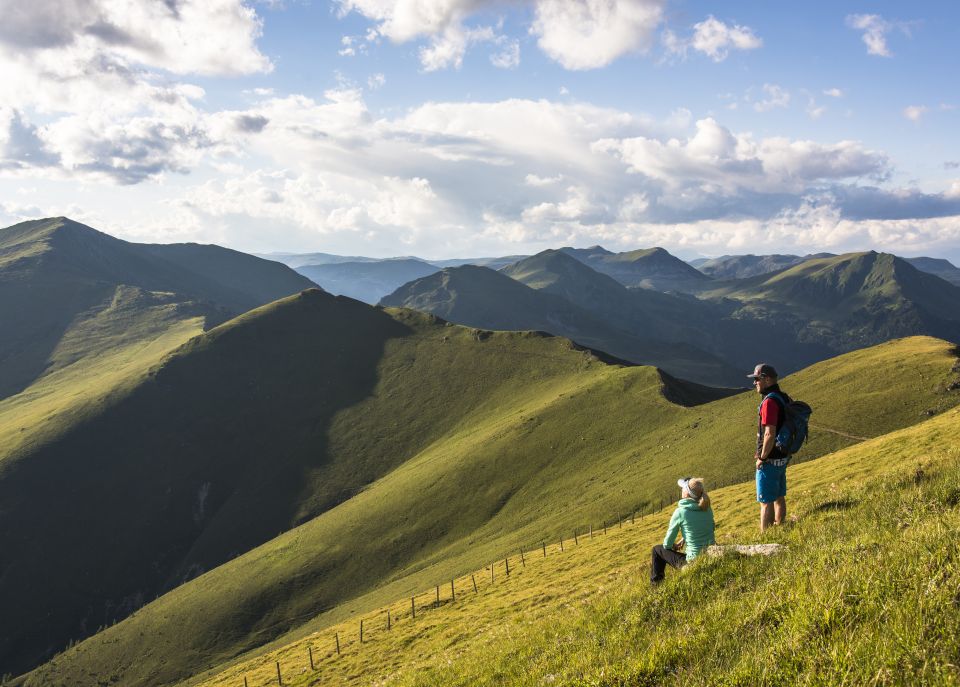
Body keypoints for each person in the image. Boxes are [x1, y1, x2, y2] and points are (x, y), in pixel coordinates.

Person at [748, 363, 790, 532]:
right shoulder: (783, 397)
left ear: (766, 379)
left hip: (770, 459)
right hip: (782, 456)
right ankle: (780, 526)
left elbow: (769, 434)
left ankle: (766, 537)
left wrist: (762, 458)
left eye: (757, 379)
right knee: (779, 496)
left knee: (765, 502)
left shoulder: (769, 402)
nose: (755, 383)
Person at [650, 477, 715, 584]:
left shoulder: (680, 512)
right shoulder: (707, 508)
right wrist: (684, 539)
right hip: (709, 555)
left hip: (692, 560)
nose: (681, 490)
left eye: (683, 488)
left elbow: (667, 544)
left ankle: (656, 586)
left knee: (657, 550)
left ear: (687, 493)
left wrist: (673, 546)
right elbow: (708, 528)